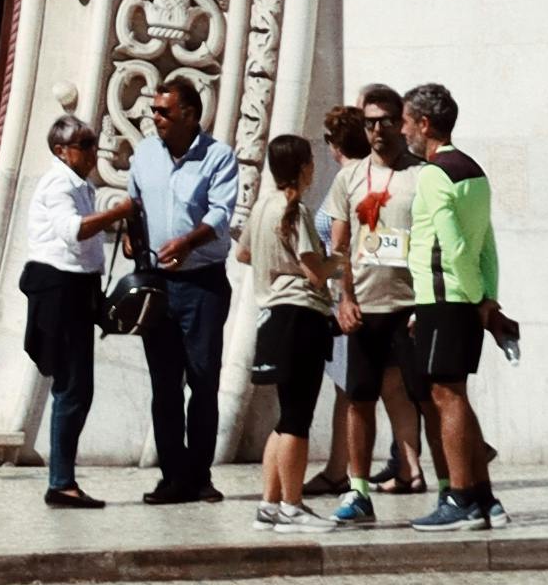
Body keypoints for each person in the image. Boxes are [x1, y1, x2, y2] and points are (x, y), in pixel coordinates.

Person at [119, 73, 242, 504]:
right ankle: (172, 475)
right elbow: (133, 203)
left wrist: (188, 241)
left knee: (203, 379)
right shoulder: (146, 154)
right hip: (159, 285)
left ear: (189, 115)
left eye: (163, 112)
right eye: (153, 110)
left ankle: (199, 473)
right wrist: (131, 232)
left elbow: (222, 212)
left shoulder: (218, 157)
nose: (155, 118)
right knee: (164, 382)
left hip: (202, 283)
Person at [398, 85, 508, 525]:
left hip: (446, 297)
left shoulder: (434, 173)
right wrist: (488, 296)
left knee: (446, 396)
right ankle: (484, 497)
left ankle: (461, 498)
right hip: (454, 299)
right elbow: (488, 245)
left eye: (406, 121)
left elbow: (458, 246)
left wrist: (477, 298)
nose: (403, 130)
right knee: (453, 395)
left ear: (425, 124)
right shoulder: (474, 170)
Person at [318, 96, 421, 522]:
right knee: (359, 398)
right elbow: (340, 246)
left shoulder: (422, 175)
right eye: (371, 123)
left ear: (402, 124)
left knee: (425, 397)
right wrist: (344, 297)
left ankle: (448, 485)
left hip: (410, 303)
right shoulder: (350, 177)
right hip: (364, 301)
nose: (378, 130)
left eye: (386, 122)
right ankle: (358, 490)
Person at [238, 130, 340, 531]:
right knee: (298, 416)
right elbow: (316, 273)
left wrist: (275, 266)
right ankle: (293, 505)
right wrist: (342, 262)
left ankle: (270, 503)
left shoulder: (262, 207)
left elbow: (243, 252)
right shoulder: (294, 212)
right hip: (301, 316)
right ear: (301, 167)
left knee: (285, 416)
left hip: (272, 315)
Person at [14, 105, 110, 510]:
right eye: (84, 145)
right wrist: (117, 212)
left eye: (93, 144)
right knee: (71, 387)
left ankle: (63, 478)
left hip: (76, 289)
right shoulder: (59, 185)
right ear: (61, 150)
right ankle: (61, 482)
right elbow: (73, 232)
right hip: (59, 289)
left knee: (77, 387)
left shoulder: (80, 185)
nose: (93, 152)